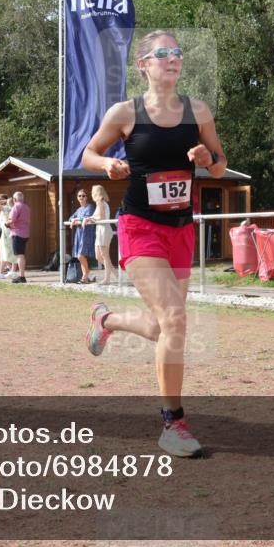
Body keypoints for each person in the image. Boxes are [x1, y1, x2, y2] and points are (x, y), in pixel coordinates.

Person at [82, 30, 228, 458]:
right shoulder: (125, 113)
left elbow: (220, 167)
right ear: (143, 64)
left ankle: (105, 320)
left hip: (181, 228)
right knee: (177, 321)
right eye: (163, 54)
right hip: (139, 225)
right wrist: (108, 162)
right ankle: (173, 424)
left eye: (177, 53)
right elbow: (89, 152)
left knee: (163, 325)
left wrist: (208, 159)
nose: (173, 59)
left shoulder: (198, 111)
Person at [88, 185, 116, 284]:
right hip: (100, 230)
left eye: (92, 192)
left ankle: (107, 279)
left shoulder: (100, 201)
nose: (91, 194)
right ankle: (116, 274)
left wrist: (90, 219)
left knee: (104, 255)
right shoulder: (99, 203)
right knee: (98, 256)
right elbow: (96, 216)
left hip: (104, 230)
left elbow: (100, 217)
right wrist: (88, 218)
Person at [69, 188, 97, 283]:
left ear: (87, 197)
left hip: (87, 233)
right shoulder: (78, 209)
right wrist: (73, 220)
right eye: (79, 196)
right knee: (78, 256)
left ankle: (87, 272)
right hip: (79, 234)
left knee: (81, 255)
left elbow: (87, 218)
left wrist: (76, 220)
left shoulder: (90, 207)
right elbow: (71, 218)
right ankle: (85, 278)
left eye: (83, 196)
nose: (81, 197)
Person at [6, 191, 30, 283]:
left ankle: (22, 276)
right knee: (22, 255)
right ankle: (21, 275)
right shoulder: (26, 207)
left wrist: (6, 224)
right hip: (25, 233)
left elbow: (11, 220)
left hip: (17, 233)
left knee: (19, 255)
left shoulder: (16, 206)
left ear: (14, 199)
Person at [0, 194, 16, 279]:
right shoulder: (4, 209)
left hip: (7, 233)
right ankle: (5, 270)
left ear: (5, 200)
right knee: (1, 251)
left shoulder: (8, 208)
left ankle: (10, 270)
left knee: (9, 252)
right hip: (1, 233)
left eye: (0, 199)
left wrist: (5, 201)